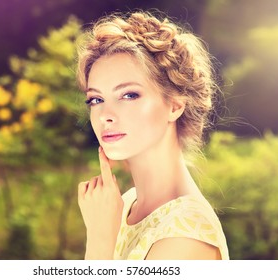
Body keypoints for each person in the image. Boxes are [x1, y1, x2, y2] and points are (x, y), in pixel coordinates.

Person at [76, 11, 229, 260]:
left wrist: (99, 239)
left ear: (175, 106)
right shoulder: (125, 204)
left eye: (129, 95)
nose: (105, 115)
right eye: (96, 99)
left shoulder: (186, 235)